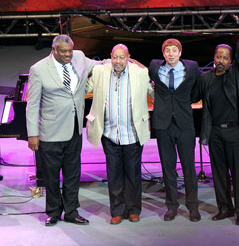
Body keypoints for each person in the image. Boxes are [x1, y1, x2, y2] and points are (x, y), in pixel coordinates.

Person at [26, 34, 100, 226]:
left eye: (70, 51)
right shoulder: (39, 69)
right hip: (50, 132)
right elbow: (32, 105)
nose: (69, 55)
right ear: (54, 50)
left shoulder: (79, 57)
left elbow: (101, 64)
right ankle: (53, 211)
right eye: (64, 52)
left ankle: (71, 211)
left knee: (73, 174)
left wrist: (126, 60)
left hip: (74, 129)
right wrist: (32, 134)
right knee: (51, 176)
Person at [86, 43, 153, 225]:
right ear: (110, 57)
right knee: (114, 174)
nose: (118, 61)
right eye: (115, 57)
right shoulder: (100, 72)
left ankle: (133, 210)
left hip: (133, 133)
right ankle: (117, 210)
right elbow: (84, 90)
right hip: (109, 133)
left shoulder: (140, 72)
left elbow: (154, 93)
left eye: (122, 57)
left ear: (128, 57)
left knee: (133, 174)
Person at [193, 16, 239, 226]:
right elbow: (192, 96)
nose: (221, 60)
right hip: (215, 133)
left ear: (230, 60)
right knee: (218, 174)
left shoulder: (236, 74)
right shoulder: (206, 79)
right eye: (219, 57)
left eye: (226, 58)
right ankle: (224, 208)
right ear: (214, 57)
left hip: (236, 132)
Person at [148, 38, 201, 222]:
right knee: (168, 168)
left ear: (180, 53)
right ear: (163, 53)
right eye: (167, 51)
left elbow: (197, 90)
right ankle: (171, 206)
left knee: (189, 167)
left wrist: (185, 103)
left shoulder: (192, 68)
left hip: (185, 124)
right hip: (163, 125)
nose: (171, 54)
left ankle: (193, 206)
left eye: (174, 50)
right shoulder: (155, 67)